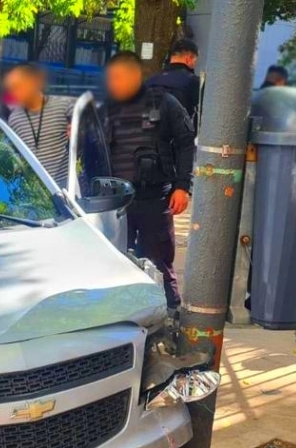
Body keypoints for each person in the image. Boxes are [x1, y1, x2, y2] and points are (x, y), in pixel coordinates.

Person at [101, 51, 195, 309]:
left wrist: (182, 187)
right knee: (117, 261)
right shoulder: (105, 109)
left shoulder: (164, 102)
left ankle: (170, 313)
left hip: (155, 198)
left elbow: (186, 143)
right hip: (116, 204)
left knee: (159, 261)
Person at [4, 63, 76, 187]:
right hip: (37, 191)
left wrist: (78, 133)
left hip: (65, 185)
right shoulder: (14, 119)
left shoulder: (64, 106)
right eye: (11, 89)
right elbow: (17, 155)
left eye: (17, 86)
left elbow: (85, 140)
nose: (14, 93)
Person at [146, 38, 201, 130]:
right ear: (188, 58)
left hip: (148, 136)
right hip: (177, 139)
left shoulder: (151, 80)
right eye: (195, 61)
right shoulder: (193, 81)